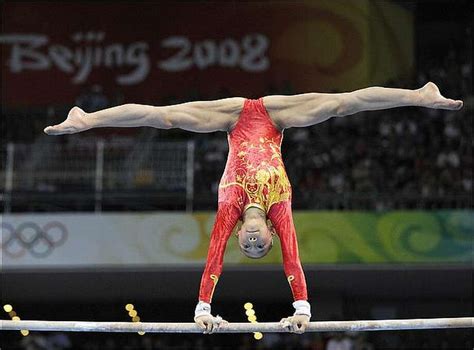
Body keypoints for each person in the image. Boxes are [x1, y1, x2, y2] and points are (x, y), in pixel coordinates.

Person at [44, 82, 463, 334]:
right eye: (260, 246)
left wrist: (202, 308)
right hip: (277, 118)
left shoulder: (230, 209)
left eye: (248, 247)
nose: (251, 241)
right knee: (342, 103)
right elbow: (293, 262)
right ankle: (419, 95)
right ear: (270, 235)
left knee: (163, 118)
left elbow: (212, 259)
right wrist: (302, 308)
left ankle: (86, 119)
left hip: (230, 120)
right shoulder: (280, 209)